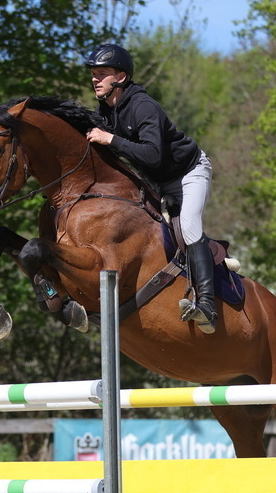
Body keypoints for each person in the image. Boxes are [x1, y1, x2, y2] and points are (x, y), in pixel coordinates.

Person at [83, 43, 218, 334]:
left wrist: (112, 140)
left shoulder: (143, 106)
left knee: (191, 228)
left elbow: (153, 155)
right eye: (93, 74)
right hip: (159, 183)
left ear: (120, 77)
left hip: (189, 173)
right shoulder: (105, 112)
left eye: (102, 74)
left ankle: (207, 304)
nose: (95, 79)